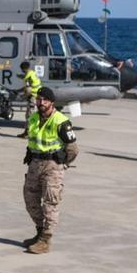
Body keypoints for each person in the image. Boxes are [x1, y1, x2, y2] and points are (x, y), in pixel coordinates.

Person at [20, 86, 79, 254]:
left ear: (52, 102)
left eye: (45, 100)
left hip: (53, 166)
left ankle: (45, 239)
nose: (41, 103)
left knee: (50, 203)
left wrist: (62, 164)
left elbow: (73, 149)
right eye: (39, 99)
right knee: (30, 200)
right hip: (35, 163)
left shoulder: (61, 121)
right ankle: (39, 231)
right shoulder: (33, 118)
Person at [16, 61, 42, 137]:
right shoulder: (32, 73)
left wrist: (22, 97)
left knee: (30, 116)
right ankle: (27, 132)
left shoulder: (28, 78)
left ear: (23, 69)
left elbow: (28, 90)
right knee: (31, 115)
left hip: (33, 97)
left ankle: (29, 133)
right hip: (38, 96)